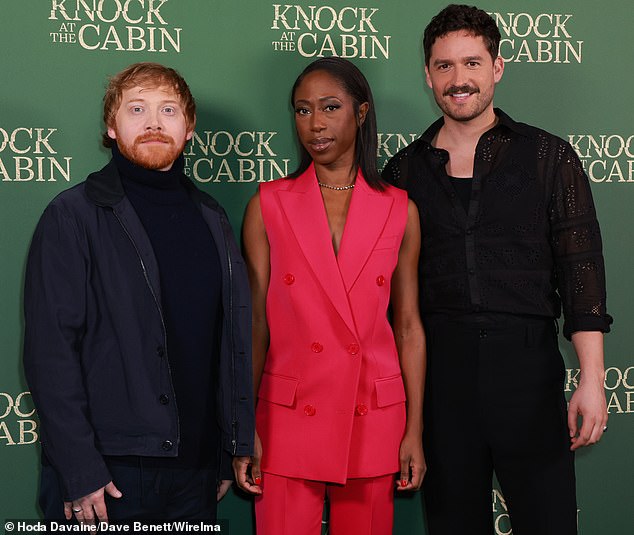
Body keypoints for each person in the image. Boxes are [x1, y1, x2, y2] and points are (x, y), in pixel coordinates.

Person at [382, 5, 612, 535]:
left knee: (549, 523)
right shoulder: (403, 171)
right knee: (452, 524)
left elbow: (583, 278)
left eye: (471, 63)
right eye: (444, 67)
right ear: (427, 75)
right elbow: (394, 300)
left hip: (528, 371)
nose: (458, 80)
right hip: (441, 380)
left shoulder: (549, 157)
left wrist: (593, 380)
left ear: (497, 67)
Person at [23, 62, 254, 523]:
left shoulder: (212, 218)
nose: (153, 122)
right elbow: (51, 352)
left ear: (189, 128)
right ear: (112, 127)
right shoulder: (72, 216)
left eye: (168, 110)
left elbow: (229, 343)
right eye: (136, 109)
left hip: (195, 471)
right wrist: (79, 467)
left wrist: (231, 445)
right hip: (107, 472)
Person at [233, 57, 426, 535]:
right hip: (285, 419)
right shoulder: (268, 205)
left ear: (360, 113)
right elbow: (254, 323)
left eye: (330, 107)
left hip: (373, 419)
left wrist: (414, 430)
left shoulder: (400, 209)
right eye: (301, 110)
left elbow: (407, 326)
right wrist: (244, 426)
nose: (314, 124)